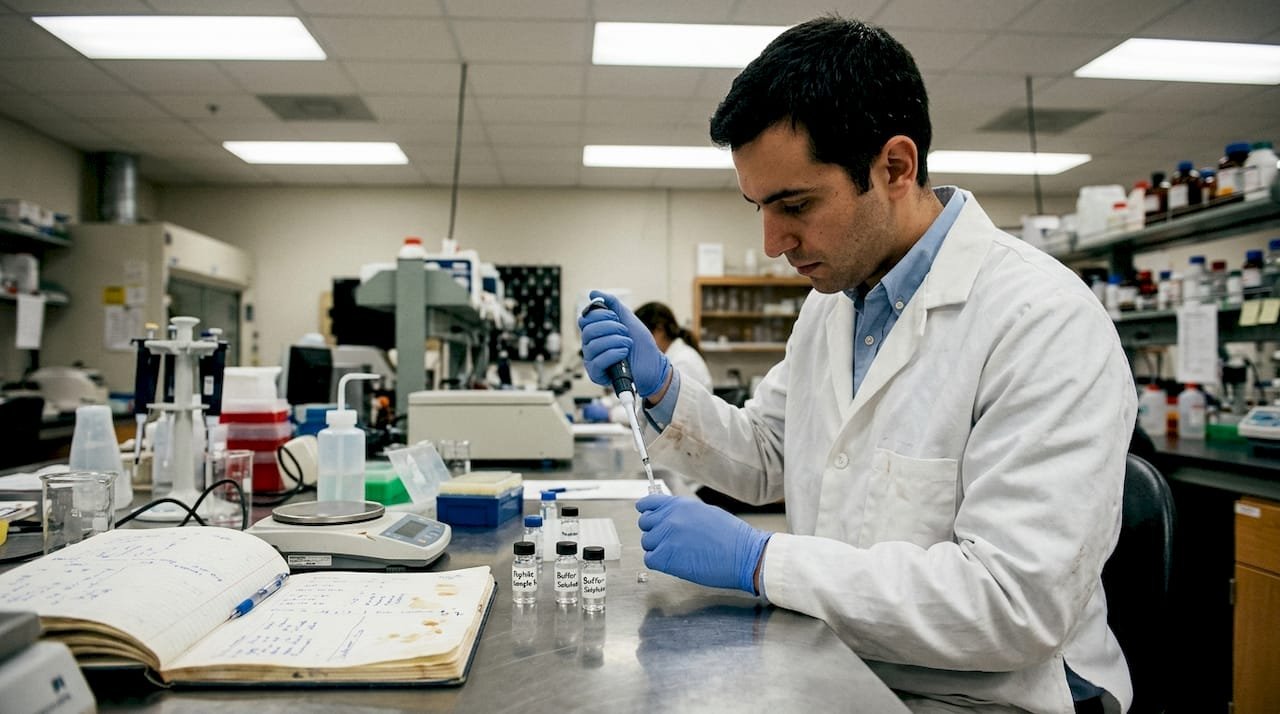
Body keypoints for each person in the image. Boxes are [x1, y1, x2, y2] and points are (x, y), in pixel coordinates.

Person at [578, 16, 1135, 714]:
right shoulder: (835, 303)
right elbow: (772, 454)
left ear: (894, 167)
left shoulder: (1042, 322)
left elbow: (1011, 605)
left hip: (998, 694)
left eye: (795, 205)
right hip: (850, 661)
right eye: (758, 207)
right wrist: (662, 389)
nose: (775, 241)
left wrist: (760, 562)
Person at [634, 302, 713, 392]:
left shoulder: (682, 362)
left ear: (660, 329)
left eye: (640, 337)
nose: (639, 345)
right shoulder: (675, 356)